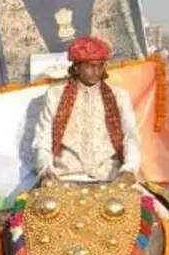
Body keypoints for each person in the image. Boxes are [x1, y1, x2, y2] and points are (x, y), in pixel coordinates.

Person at [31, 35, 142, 184]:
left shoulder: (119, 95)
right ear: (76, 67)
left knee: (149, 206)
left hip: (111, 178)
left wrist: (129, 169)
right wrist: (45, 170)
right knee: (35, 206)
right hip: (65, 178)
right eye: (90, 65)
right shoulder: (56, 94)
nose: (96, 71)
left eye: (100, 65)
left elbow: (131, 136)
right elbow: (43, 139)